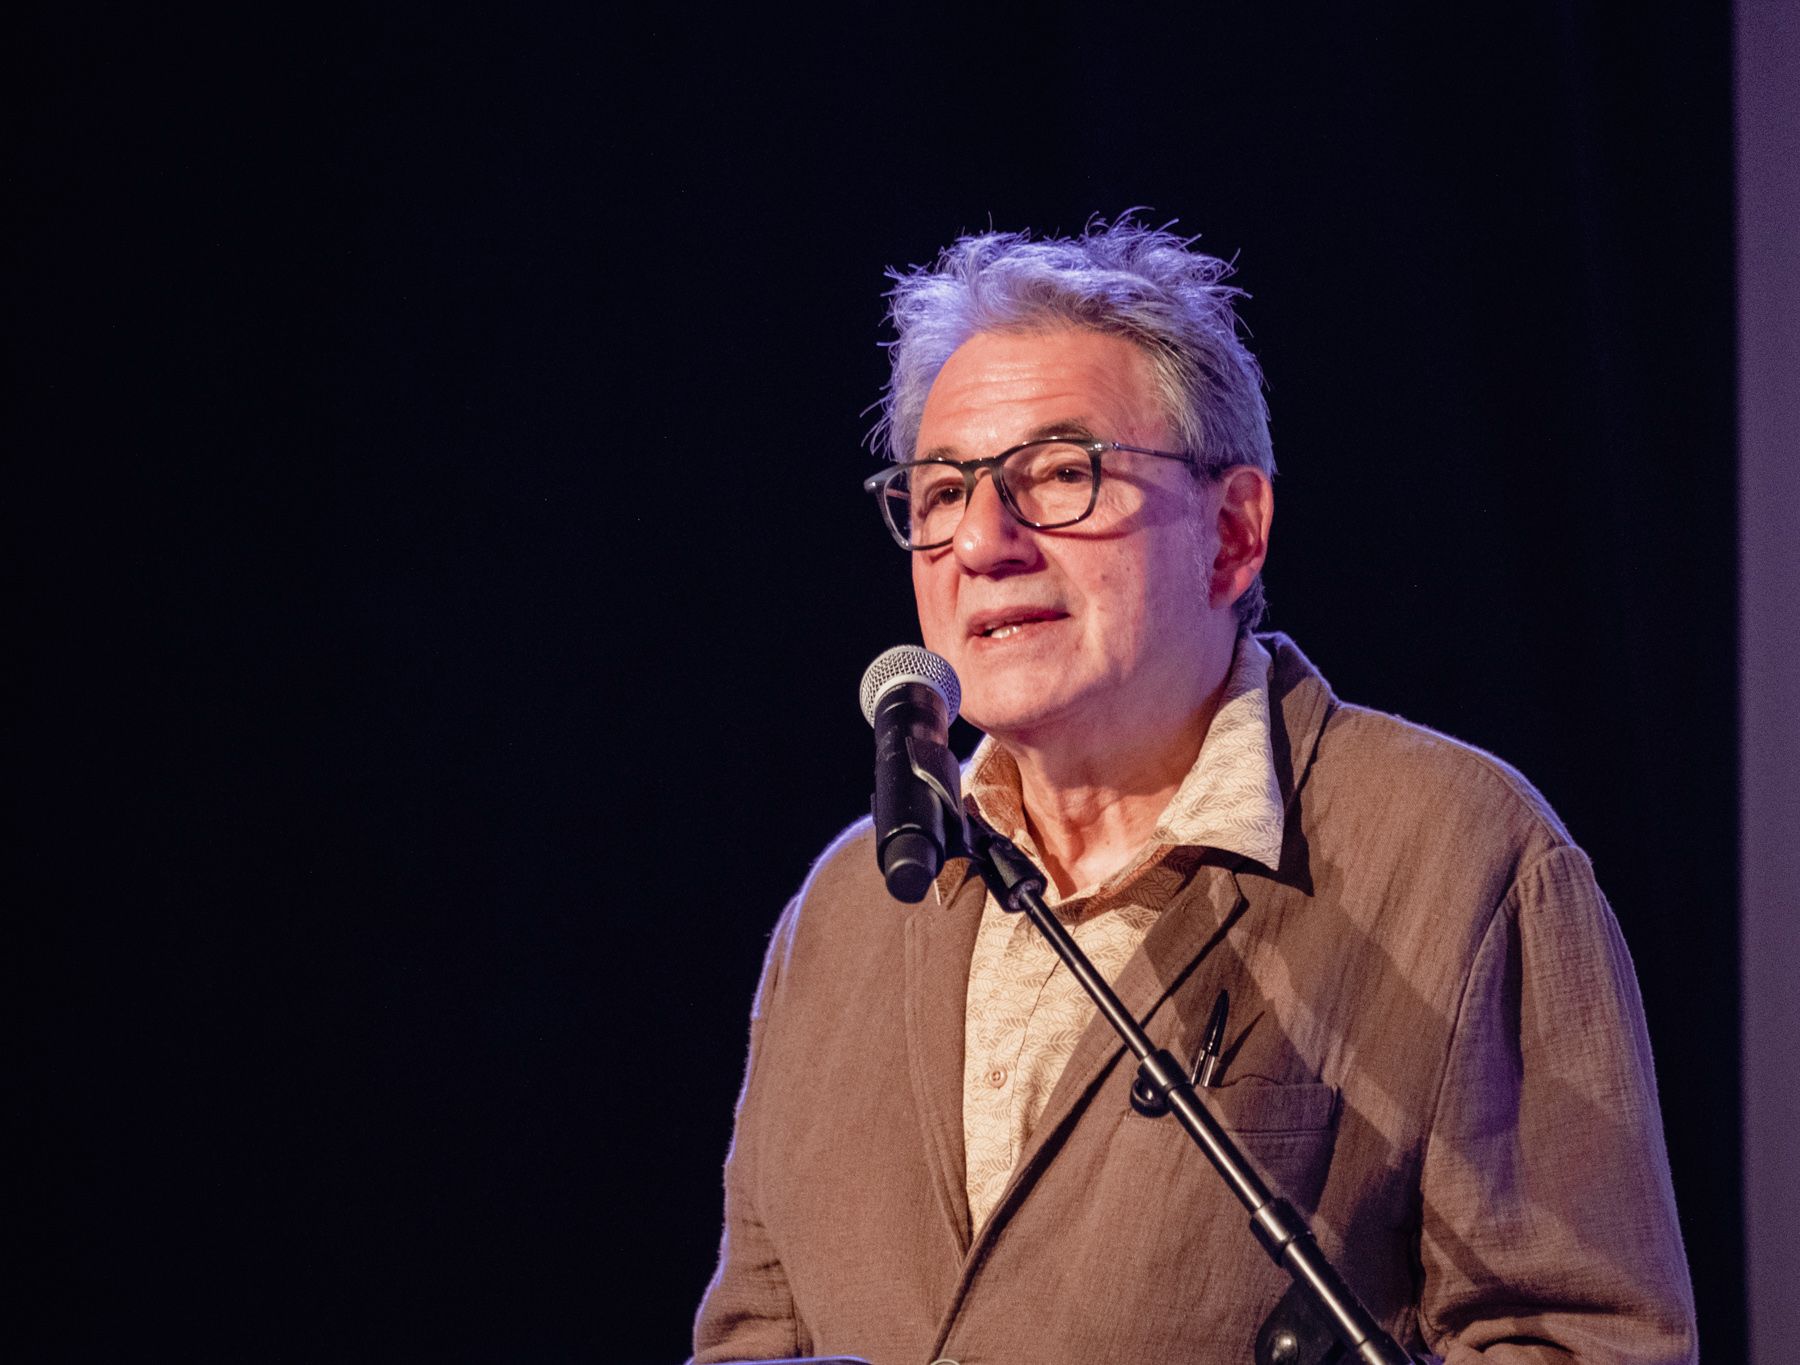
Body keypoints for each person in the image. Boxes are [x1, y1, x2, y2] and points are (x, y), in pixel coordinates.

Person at [692, 216, 1697, 1364]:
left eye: (1059, 477)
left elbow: (1577, 1343)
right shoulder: (848, 910)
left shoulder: (1458, 853)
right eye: (935, 492)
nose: (982, 541)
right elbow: (752, 1340)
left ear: (1231, 534)